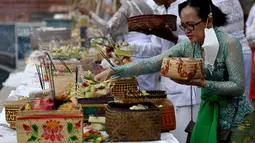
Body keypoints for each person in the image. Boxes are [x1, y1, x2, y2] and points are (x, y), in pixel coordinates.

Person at [95, 0, 254, 142]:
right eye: (183, 26)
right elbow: (151, 63)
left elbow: (238, 86)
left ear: (208, 21)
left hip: (236, 118)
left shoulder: (229, 44)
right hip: (209, 112)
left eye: (191, 25)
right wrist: (114, 70)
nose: (187, 31)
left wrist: (204, 83)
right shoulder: (189, 46)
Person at [78, 0, 165, 90]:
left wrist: (90, 13)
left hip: (138, 52)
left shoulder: (128, 6)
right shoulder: (145, 4)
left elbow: (107, 28)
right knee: (150, 89)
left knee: (143, 90)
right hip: (146, 50)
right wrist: (119, 47)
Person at [147, 0, 201, 142]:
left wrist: (173, 38)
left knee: (184, 137)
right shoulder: (161, 11)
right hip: (167, 87)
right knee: (170, 137)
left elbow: (199, 43)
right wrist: (127, 48)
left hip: (186, 91)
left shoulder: (188, 7)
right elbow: (156, 49)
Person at [212, 0, 252, 101]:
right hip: (244, 51)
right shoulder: (235, 1)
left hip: (228, 52)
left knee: (228, 103)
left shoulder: (214, 3)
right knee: (241, 101)